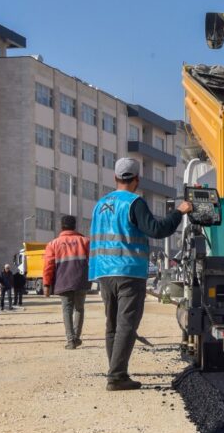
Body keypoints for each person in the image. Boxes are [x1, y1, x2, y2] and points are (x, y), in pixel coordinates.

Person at [89, 158, 192, 391]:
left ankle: (116, 371)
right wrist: (179, 212)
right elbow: (157, 230)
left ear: (115, 178)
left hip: (104, 272)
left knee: (113, 324)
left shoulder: (101, 204)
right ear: (137, 180)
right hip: (128, 271)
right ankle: (116, 376)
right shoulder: (134, 202)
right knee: (127, 324)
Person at [44, 215, 91, 350]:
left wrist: (47, 284)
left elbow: (48, 266)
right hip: (81, 280)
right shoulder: (85, 241)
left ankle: (71, 340)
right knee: (79, 309)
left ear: (61, 226)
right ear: (74, 226)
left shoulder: (53, 244)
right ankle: (76, 337)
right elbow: (94, 261)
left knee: (67, 310)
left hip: (63, 281)